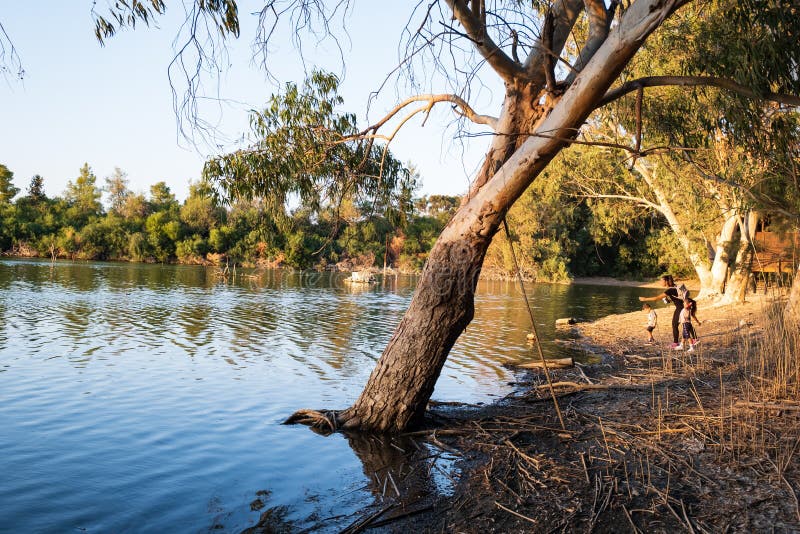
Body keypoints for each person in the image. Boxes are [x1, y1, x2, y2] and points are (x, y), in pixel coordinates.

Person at [639, 274, 683, 348]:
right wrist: (669, 300)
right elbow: (678, 297)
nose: (660, 282)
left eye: (661, 280)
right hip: (682, 306)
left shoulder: (669, 290)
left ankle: (676, 343)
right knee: (685, 323)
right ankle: (694, 339)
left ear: (666, 281)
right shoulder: (674, 286)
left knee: (675, 324)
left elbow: (656, 298)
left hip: (680, 308)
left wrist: (645, 299)